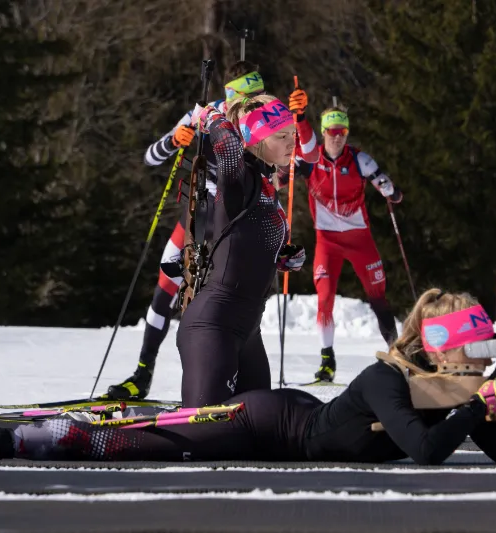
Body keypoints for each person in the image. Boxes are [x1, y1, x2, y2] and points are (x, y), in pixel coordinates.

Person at [0, 289, 496, 465]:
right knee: (132, 439)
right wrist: (478, 403)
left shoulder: (449, 391)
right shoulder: (386, 376)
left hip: (291, 421)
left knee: (139, 437)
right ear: (447, 352)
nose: (485, 365)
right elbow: (425, 451)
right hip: (267, 421)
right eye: (477, 355)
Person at [104, 61, 318, 400]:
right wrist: (176, 140)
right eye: (244, 96)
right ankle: (143, 372)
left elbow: (307, 159)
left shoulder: (264, 121)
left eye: (256, 95)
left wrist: (301, 121)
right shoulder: (208, 112)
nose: (248, 104)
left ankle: (229, 372)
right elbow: (150, 156)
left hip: (240, 221)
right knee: (166, 286)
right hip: (201, 215)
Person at [174, 90, 318, 408]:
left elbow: (247, 244)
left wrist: (283, 257)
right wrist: (211, 115)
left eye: (292, 133)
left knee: (255, 436)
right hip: (213, 327)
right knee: (203, 435)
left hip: (248, 331)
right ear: (255, 139)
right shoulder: (238, 179)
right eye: (281, 136)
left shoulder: (266, 185)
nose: (292, 142)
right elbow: (226, 146)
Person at [290, 107, 403, 383]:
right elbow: (283, 175)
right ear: (324, 132)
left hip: (359, 239)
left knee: (378, 297)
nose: (337, 138)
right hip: (327, 241)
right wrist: (283, 176)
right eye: (332, 132)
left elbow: (390, 190)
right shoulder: (310, 159)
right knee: (325, 297)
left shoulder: (359, 160)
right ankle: (327, 359)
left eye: (342, 132)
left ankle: (397, 356)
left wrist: (390, 190)